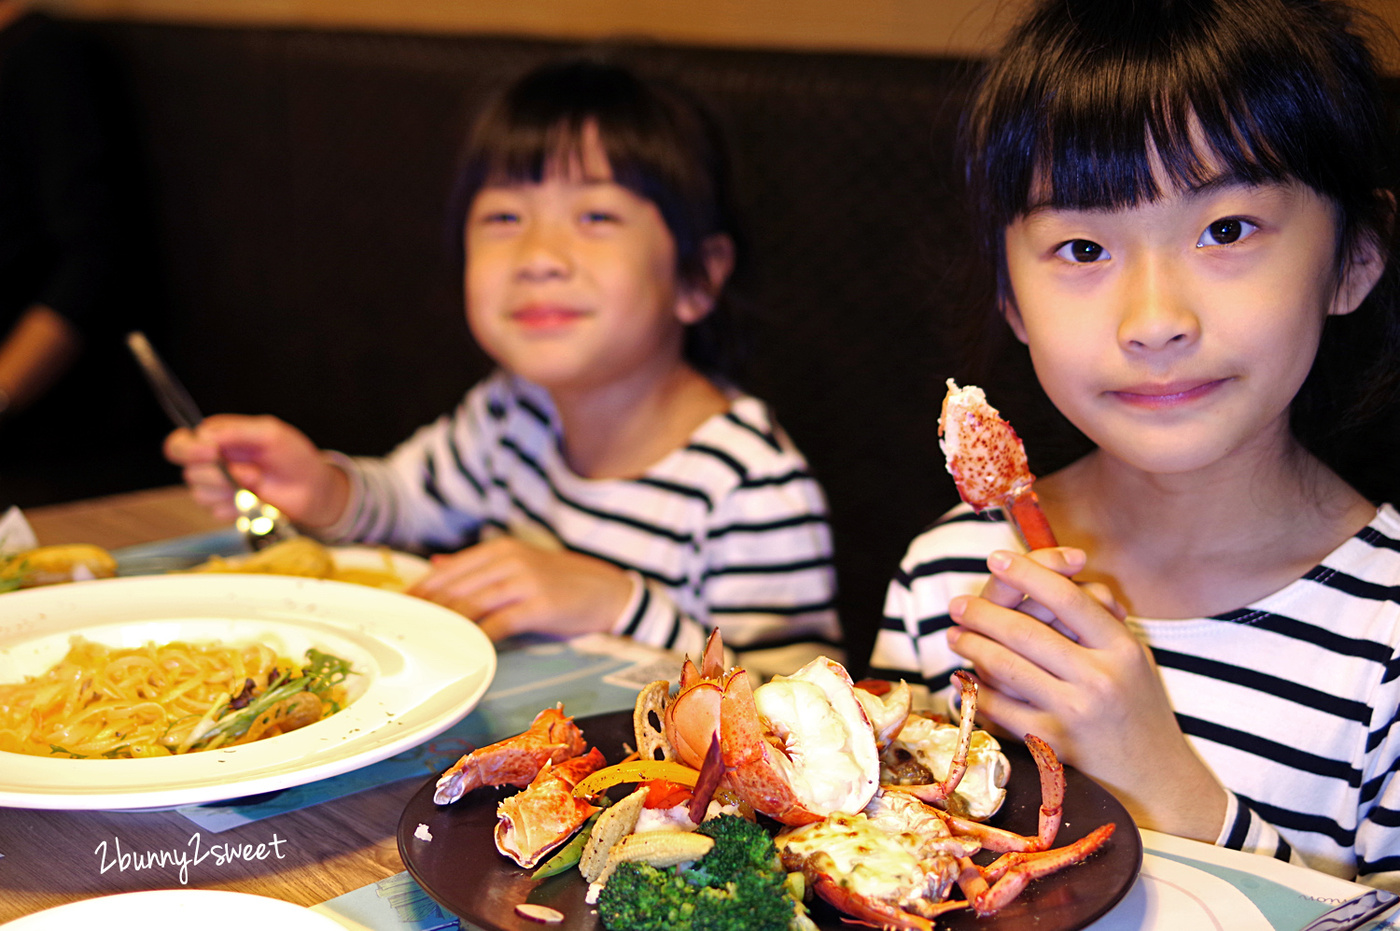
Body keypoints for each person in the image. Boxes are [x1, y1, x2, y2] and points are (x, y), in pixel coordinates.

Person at [869, 0, 1400, 890]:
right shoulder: (951, 580)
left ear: (1354, 256)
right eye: (1081, 247)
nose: (1154, 321)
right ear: (1011, 297)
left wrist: (1169, 791)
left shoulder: (1385, 635)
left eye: (1225, 231)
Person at [165, 57, 841, 675]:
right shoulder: (510, 412)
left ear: (698, 278)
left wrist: (617, 604)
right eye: (505, 217)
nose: (539, 255)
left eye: (597, 215)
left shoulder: (750, 482)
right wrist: (322, 489)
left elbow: (801, 711)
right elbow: (402, 504)